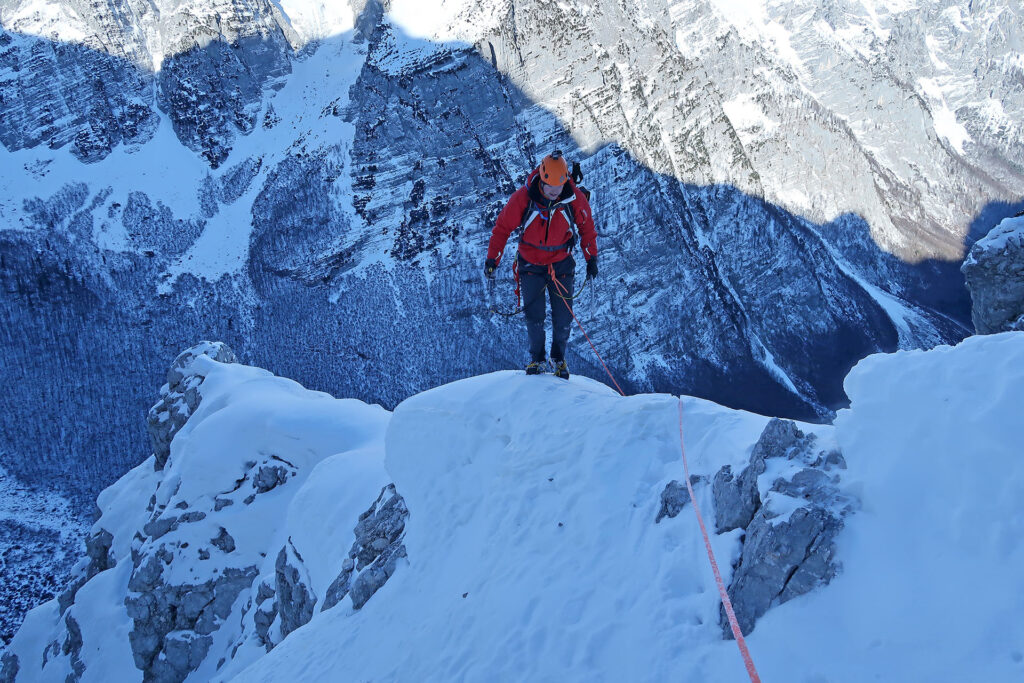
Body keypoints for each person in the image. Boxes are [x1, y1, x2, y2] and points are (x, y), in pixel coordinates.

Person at [484, 151, 598, 379]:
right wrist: (492, 259)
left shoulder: (573, 198)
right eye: (550, 189)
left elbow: (587, 229)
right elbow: (502, 228)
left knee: (563, 317)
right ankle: (537, 360)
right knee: (534, 317)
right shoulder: (524, 199)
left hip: (561, 265)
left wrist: (591, 258)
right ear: (542, 180)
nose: (555, 194)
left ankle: (558, 359)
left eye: (558, 189)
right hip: (531, 265)